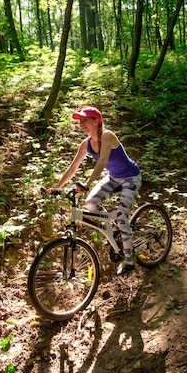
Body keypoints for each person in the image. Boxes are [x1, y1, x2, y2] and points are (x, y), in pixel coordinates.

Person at [52, 107, 142, 275]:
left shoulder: (107, 136)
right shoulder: (85, 144)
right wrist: (57, 187)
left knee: (122, 217)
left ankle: (129, 260)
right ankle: (114, 228)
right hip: (114, 178)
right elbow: (72, 168)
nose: (82, 124)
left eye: (85, 120)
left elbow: (102, 160)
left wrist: (87, 183)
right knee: (91, 203)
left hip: (131, 178)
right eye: (80, 121)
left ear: (96, 121)